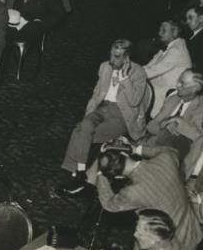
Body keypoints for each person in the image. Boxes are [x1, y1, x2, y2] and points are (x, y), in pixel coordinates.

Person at [58, 39, 149, 194]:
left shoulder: (139, 72)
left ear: (127, 58)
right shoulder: (104, 67)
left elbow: (134, 101)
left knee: (82, 134)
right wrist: (87, 115)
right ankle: (80, 174)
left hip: (122, 116)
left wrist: (125, 78)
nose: (112, 60)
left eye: (117, 57)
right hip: (103, 108)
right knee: (83, 127)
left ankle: (75, 174)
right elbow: (96, 95)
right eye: (111, 55)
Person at [93, 146, 203, 250]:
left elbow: (109, 204)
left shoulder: (132, 193)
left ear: (117, 177)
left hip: (171, 247)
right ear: (124, 154)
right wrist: (135, 149)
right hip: (193, 230)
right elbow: (172, 150)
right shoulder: (166, 159)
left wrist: (101, 173)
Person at [140, 68, 203, 159]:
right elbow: (150, 126)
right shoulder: (173, 99)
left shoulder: (201, 109)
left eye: (182, 83)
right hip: (154, 146)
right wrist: (164, 124)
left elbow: (202, 139)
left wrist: (179, 120)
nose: (177, 85)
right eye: (178, 80)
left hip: (174, 156)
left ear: (194, 89)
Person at [143, 19, 192, 115]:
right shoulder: (170, 47)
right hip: (156, 87)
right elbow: (149, 66)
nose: (159, 33)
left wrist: (130, 72)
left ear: (175, 32)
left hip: (164, 95)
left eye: (164, 30)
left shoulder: (177, 50)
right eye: (160, 29)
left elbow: (152, 71)